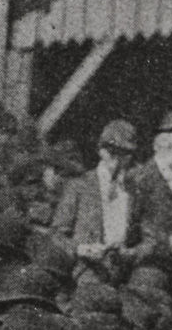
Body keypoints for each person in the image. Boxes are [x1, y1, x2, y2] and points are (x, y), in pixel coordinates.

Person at [124, 110, 172, 314]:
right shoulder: (139, 180)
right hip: (141, 286)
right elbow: (126, 237)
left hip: (168, 287)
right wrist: (170, 245)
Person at [51, 119, 137, 291]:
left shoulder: (134, 191)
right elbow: (56, 235)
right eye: (112, 153)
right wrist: (81, 249)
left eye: (124, 155)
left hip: (124, 279)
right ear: (100, 150)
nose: (117, 162)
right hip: (86, 276)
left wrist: (127, 252)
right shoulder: (79, 186)